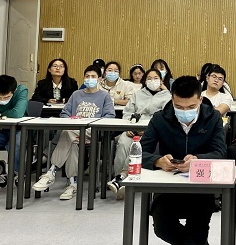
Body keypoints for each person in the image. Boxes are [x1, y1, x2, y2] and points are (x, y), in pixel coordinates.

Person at [141, 76, 226, 245]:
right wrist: (158, 161)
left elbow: (220, 153)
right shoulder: (160, 118)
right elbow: (139, 153)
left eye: (191, 107)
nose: (185, 111)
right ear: (172, 100)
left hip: (201, 188)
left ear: (200, 100)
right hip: (167, 187)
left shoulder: (213, 117)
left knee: (197, 233)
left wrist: (198, 160)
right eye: (179, 107)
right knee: (162, 229)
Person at [33, 65, 115, 200]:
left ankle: (52, 171)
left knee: (67, 133)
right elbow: (64, 113)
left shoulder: (104, 96)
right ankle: (73, 185)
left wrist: (91, 123)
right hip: (75, 131)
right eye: (87, 76)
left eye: (93, 76)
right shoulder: (76, 94)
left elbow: (110, 116)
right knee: (71, 140)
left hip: (92, 132)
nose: (90, 79)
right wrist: (72, 120)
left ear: (99, 79)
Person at [106, 68, 171, 199]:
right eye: (149, 78)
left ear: (161, 80)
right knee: (123, 142)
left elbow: (167, 118)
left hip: (153, 133)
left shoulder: (167, 96)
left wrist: (148, 130)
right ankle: (118, 177)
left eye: (156, 78)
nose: (152, 81)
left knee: (137, 146)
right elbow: (127, 112)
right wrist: (129, 127)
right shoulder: (138, 94)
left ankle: (123, 179)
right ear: (145, 81)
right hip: (133, 128)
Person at [0, 75, 28, 188]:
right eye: (0, 97)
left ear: (14, 91)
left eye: (6, 97)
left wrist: (1, 114)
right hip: (2, 129)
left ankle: (17, 172)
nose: (2, 100)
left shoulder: (21, 90)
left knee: (17, 144)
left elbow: (17, 113)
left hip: (19, 129)